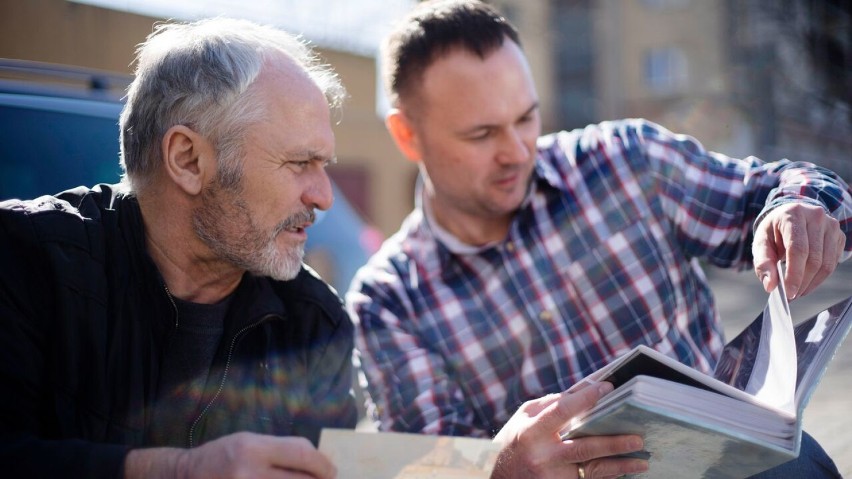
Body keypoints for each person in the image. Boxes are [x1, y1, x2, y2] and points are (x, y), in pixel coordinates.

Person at [345, 0, 852, 477]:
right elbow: (432, 467)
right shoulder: (388, 301)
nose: (517, 151)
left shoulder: (625, 162)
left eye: (526, 117)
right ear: (408, 135)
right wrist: (496, 469)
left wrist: (798, 207)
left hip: (723, 463)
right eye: (482, 134)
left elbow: (776, 187)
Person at [0, 18, 358, 478]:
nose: (323, 197)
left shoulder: (313, 323)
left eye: (323, 164)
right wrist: (177, 472)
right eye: (299, 163)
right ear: (188, 159)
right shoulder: (26, 261)